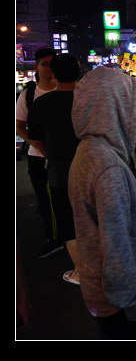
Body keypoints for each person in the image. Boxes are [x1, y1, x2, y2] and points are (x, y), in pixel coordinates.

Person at [68, 65, 136, 340]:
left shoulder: (88, 150)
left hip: (100, 292)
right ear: (116, 106)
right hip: (120, 304)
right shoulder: (108, 167)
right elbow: (116, 248)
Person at [27, 53, 82, 285]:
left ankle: (81, 272)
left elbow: (36, 139)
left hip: (60, 174)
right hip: (95, 173)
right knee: (97, 220)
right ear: (79, 72)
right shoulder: (89, 99)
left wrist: (53, 155)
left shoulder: (41, 103)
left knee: (69, 225)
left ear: (54, 74)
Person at [16, 48, 63, 259]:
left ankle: (72, 235)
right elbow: (19, 125)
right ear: (36, 67)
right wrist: (35, 143)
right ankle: (54, 238)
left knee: (71, 197)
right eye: (44, 63)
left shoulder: (68, 89)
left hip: (66, 157)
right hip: (38, 157)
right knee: (45, 199)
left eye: (53, 63)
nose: (49, 68)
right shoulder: (29, 95)